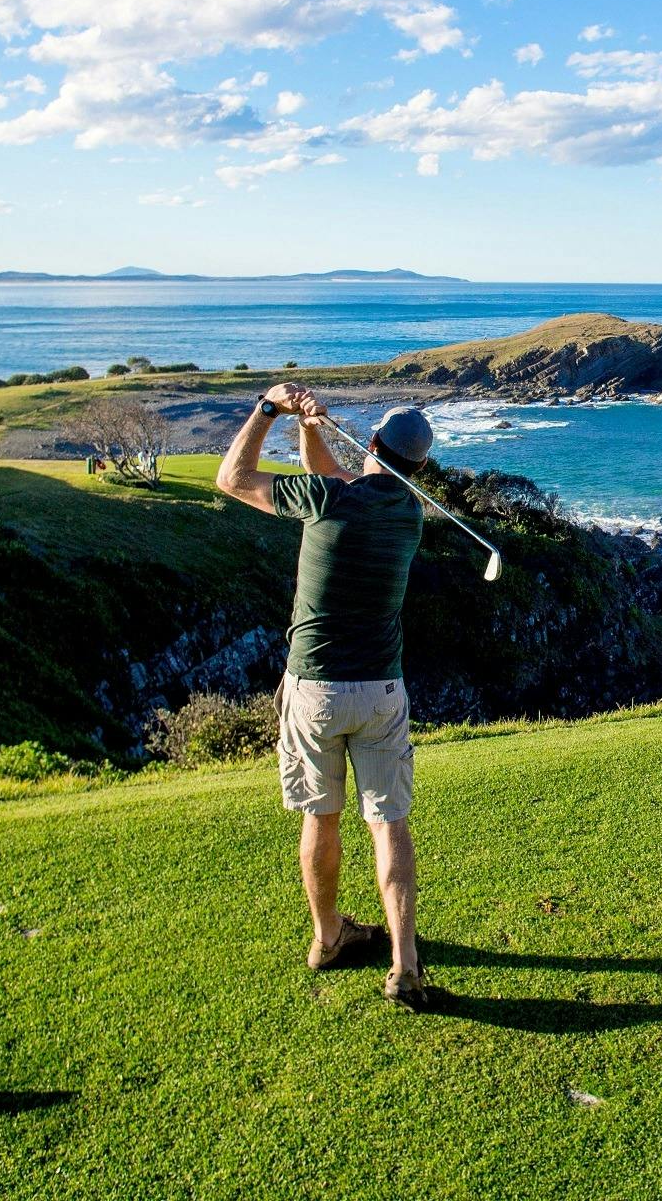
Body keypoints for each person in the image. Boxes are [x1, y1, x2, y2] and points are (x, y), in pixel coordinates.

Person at [215, 384, 435, 1008]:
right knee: (388, 822)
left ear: (371, 445)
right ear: (417, 467)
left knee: (322, 816)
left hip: (315, 689)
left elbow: (232, 478)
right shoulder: (406, 512)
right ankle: (405, 961)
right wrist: (310, 428)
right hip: (381, 691)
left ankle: (327, 938)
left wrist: (268, 410)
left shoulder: (327, 498)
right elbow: (337, 478)